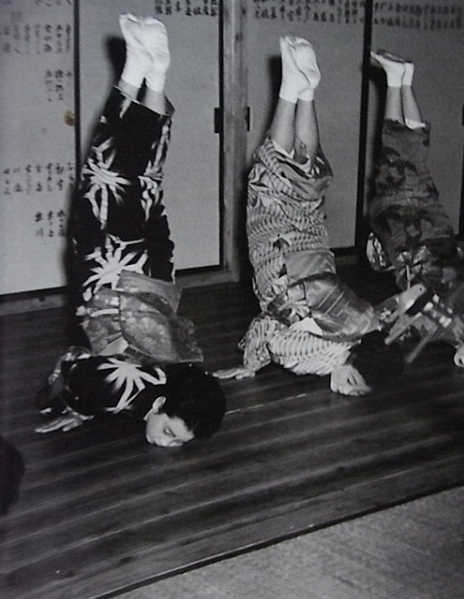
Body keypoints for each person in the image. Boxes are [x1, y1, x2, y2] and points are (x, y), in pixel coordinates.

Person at [37, 15, 226, 447]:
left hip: (157, 272)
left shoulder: (183, 380)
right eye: (169, 433)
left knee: (143, 180)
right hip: (113, 275)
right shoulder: (126, 392)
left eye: (175, 440)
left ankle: (149, 75)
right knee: (104, 173)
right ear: (159, 406)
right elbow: (73, 371)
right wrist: (76, 407)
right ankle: (140, 74)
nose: (166, 444)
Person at [215, 37, 401, 395]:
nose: (348, 391)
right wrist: (250, 365)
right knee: (269, 176)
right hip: (281, 268)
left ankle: (306, 93)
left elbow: (384, 313)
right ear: (352, 373)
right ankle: (289, 90)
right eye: (354, 386)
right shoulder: (321, 360)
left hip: (315, 250)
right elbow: (274, 338)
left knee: (303, 177)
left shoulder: (362, 326)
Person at [367, 50, 464, 370]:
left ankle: (403, 79)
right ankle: (397, 80)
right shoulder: (450, 326)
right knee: (394, 157)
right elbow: (396, 311)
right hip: (410, 234)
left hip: (438, 229)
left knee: (413, 162)